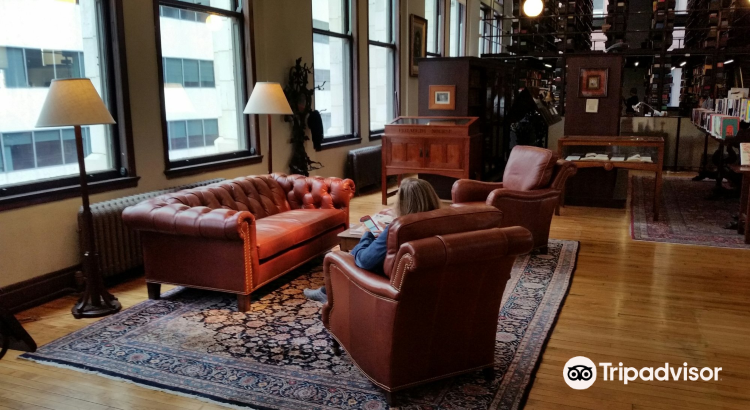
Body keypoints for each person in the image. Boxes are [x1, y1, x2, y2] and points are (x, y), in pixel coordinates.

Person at [304, 178, 442, 303]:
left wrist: (367, 234)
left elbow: (364, 261)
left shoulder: (398, 230)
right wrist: (386, 235)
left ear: (403, 204)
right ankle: (326, 291)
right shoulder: (441, 223)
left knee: (349, 256)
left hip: (389, 284)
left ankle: (328, 293)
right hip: (426, 284)